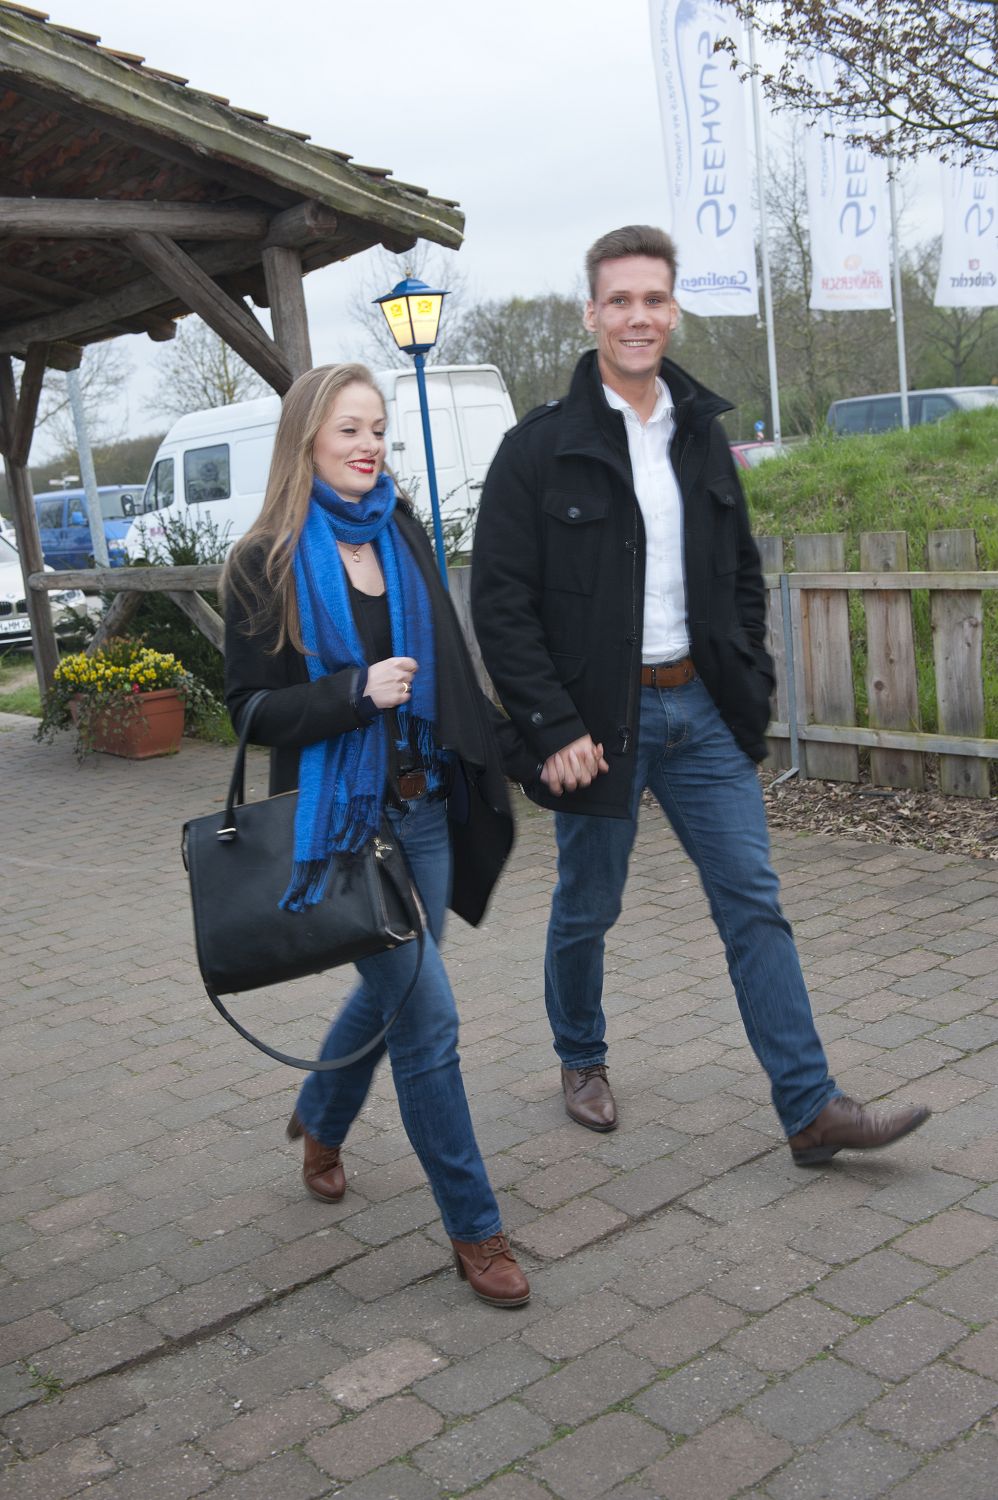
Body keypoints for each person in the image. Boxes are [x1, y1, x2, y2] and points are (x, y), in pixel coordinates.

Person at [471, 225, 929, 1166]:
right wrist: (552, 726)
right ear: (591, 313)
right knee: (588, 904)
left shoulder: (702, 433)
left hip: (703, 713)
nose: (637, 317)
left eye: (654, 300)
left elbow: (741, 574)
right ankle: (581, 1056)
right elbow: (501, 605)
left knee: (753, 902)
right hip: (599, 726)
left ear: (673, 311)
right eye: (620, 300)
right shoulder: (536, 451)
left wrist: (747, 681)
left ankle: (810, 1109)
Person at [223, 362, 532, 1307]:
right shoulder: (264, 561)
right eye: (349, 428)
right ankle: (476, 1230)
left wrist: (528, 749)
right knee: (429, 1020)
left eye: (378, 429)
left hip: (424, 810)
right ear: (307, 438)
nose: (369, 446)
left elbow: (452, 664)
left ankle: (322, 1116)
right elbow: (250, 710)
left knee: (399, 990)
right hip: (345, 824)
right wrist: (352, 693)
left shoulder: (399, 530)